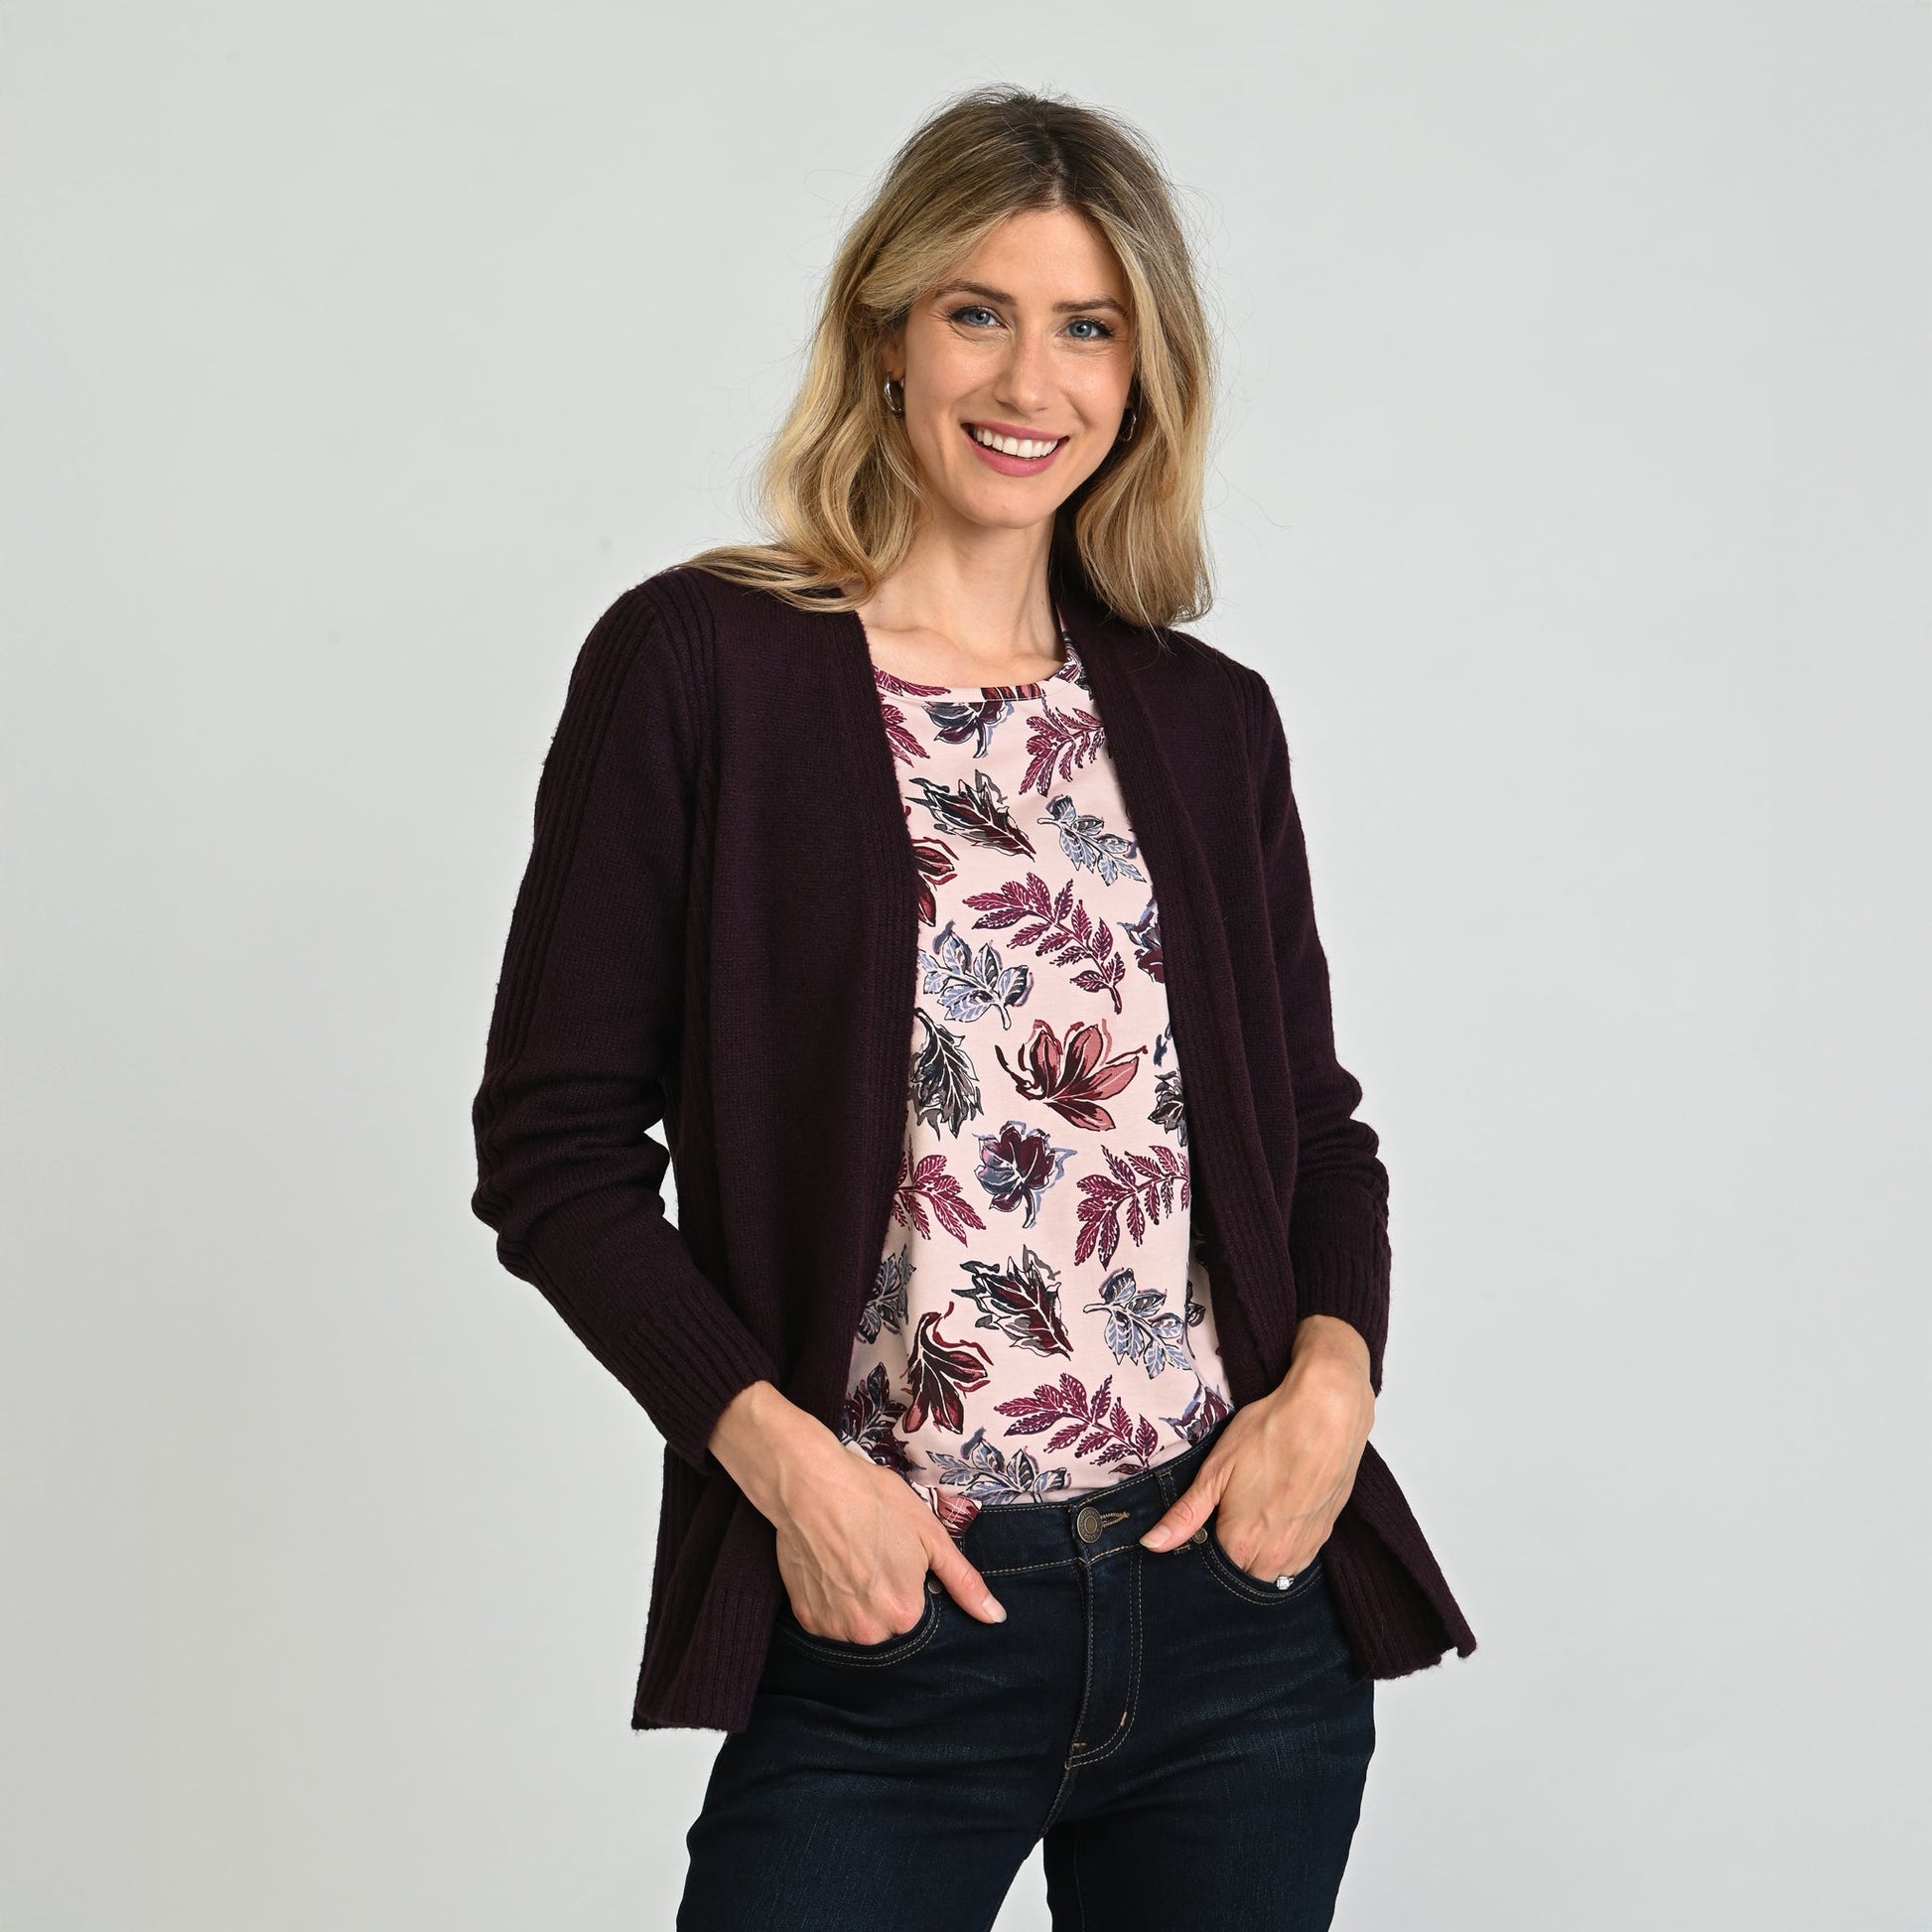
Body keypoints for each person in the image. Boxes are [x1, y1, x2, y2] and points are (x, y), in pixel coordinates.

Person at [470, 84, 1475, 1932]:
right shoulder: (699, 665)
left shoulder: (1204, 718)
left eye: (1086, 325)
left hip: (1235, 1622)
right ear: (886, 333)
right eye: (977, 312)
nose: (1030, 379)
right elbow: (553, 1153)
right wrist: (787, 1469)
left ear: (1142, 374)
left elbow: (1311, 1132)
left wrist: (1330, 1388)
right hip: (892, 1618)